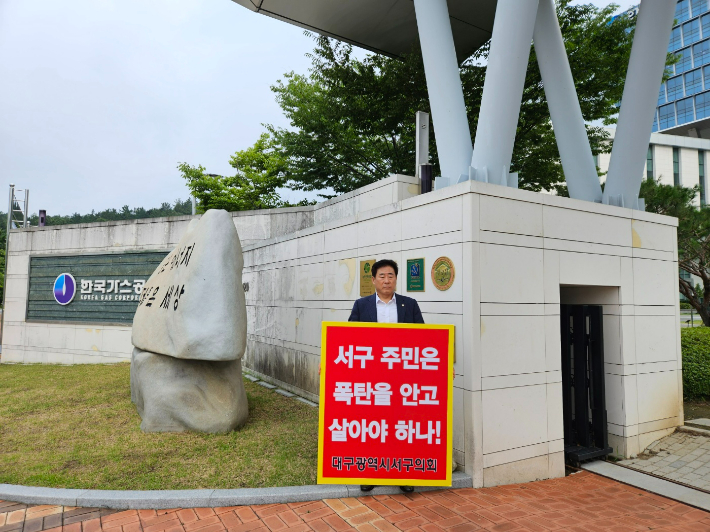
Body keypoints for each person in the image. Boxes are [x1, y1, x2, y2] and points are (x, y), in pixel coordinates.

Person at [348, 259, 424, 493]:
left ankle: (403, 473)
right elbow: (347, 339)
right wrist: (329, 363)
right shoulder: (361, 306)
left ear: (396, 279)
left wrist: (444, 364)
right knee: (374, 424)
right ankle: (370, 472)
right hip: (373, 379)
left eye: (391, 275)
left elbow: (425, 340)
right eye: (381, 276)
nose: (386, 280)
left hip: (402, 379)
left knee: (400, 424)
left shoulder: (409, 305)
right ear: (373, 280)